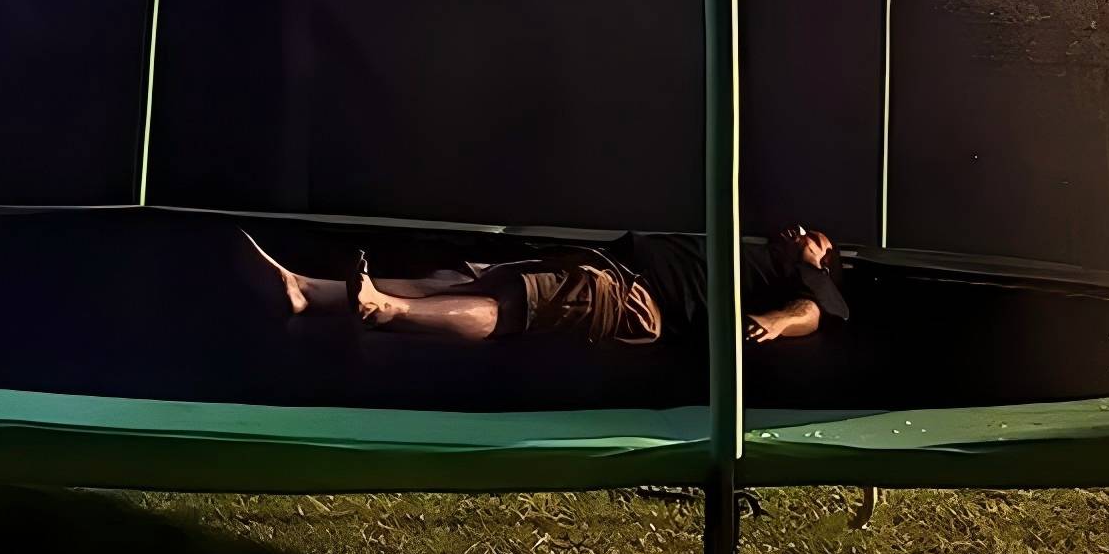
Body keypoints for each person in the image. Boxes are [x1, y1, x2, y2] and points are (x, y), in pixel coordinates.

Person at [244, 225, 847, 348]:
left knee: (515, 304)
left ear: (826, 259)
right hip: (609, 265)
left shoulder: (808, 278)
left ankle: (386, 311)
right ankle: (309, 289)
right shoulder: (749, 244)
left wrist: (777, 322)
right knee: (460, 277)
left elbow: (813, 313)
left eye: (812, 235)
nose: (798, 231)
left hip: (633, 299)